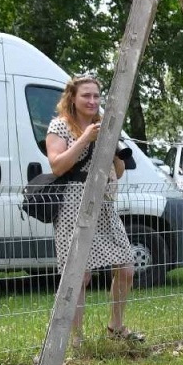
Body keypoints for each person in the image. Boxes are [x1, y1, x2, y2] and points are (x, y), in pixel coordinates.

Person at [44, 75, 142, 344]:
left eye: (96, 96)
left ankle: (116, 327)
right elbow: (57, 165)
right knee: (79, 275)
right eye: (86, 95)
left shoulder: (105, 125)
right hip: (73, 207)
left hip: (105, 205)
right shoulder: (60, 126)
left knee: (126, 268)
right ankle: (75, 338)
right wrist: (85, 138)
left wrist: (113, 151)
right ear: (72, 98)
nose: (92, 101)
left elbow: (118, 173)